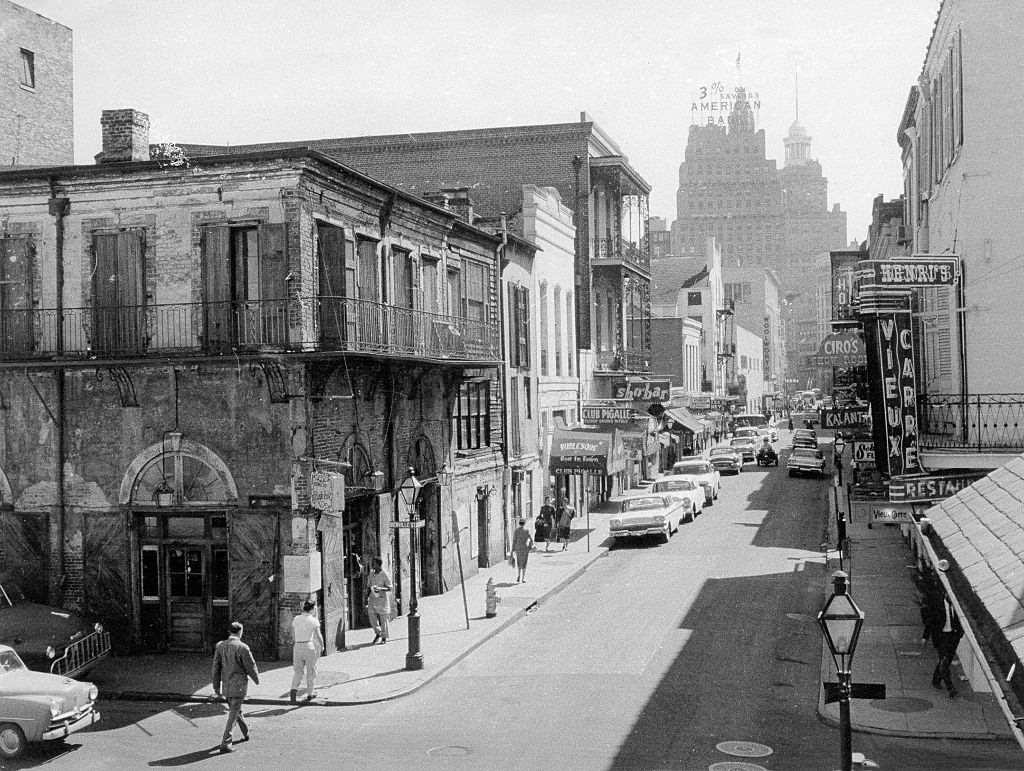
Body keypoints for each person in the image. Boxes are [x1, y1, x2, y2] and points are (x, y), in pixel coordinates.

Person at [212, 621, 260, 753]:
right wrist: (256, 679)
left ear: (229, 632)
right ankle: (226, 743)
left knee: (236, 710)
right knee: (233, 714)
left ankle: (246, 731)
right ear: (240, 632)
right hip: (239, 686)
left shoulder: (220, 646)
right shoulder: (242, 647)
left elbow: (215, 667)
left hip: (226, 686)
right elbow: (251, 665)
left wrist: (216, 686)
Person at [920, 575, 964, 698]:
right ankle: (951, 689)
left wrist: (960, 633)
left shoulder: (957, 605)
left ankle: (936, 679)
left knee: (945, 661)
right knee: (944, 663)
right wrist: (925, 637)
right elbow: (930, 622)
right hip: (941, 637)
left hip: (953, 636)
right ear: (945, 594)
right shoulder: (938, 605)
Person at [290, 599, 325, 704]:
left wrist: (297, 641)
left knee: (298, 671)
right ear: (312, 609)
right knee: (311, 671)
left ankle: (294, 689)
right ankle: (310, 693)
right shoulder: (313, 620)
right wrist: (322, 646)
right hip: (308, 646)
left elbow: (292, 635)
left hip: (297, 646)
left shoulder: (296, 619)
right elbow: (318, 636)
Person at [364, 557, 393, 645]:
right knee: (372, 616)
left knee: (383, 618)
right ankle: (378, 632)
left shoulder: (384, 574)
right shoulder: (372, 573)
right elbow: (369, 585)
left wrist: (380, 588)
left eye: (374, 563)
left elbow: (390, 588)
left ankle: (384, 637)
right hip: (373, 598)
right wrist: (366, 596)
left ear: (378, 564)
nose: (372, 565)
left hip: (381, 598)